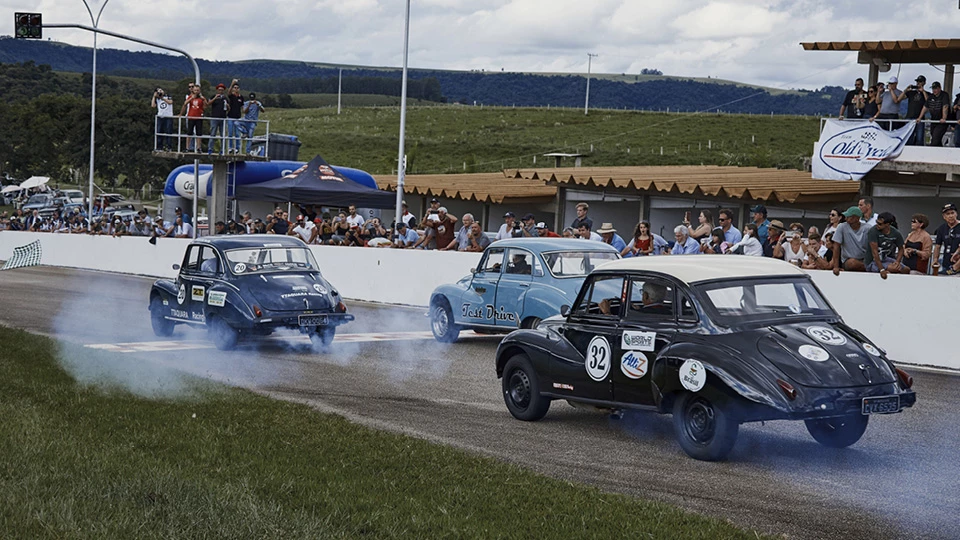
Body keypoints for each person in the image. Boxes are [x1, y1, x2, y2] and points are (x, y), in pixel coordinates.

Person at [866, 212, 905, 279]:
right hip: (873, 261)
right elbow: (875, 252)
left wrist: (897, 262)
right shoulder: (873, 231)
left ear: (887, 224)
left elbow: (901, 248)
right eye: (876, 222)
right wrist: (882, 269)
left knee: (906, 269)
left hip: (886, 259)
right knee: (893, 269)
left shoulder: (895, 233)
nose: (877, 225)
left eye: (880, 224)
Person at [831, 206, 868, 275]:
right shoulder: (841, 227)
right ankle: (869, 267)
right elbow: (836, 246)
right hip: (848, 260)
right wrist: (836, 266)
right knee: (852, 263)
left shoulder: (867, 228)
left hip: (864, 259)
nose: (846, 218)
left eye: (849, 216)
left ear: (856, 218)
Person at [917, 81, 950, 147]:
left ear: (940, 88)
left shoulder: (944, 95)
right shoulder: (930, 97)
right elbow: (925, 107)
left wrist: (944, 118)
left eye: (936, 88)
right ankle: (940, 153)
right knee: (936, 138)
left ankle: (932, 152)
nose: (934, 90)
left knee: (935, 139)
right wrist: (919, 117)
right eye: (933, 88)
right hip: (934, 120)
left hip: (941, 122)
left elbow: (945, 106)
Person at [932, 203, 960, 275]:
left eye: (952, 213)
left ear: (956, 214)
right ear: (944, 216)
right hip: (946, 264)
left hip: (957, 264)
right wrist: (935, 259)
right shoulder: (941, 229)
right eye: (948, 214)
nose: (951, 216)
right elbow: (938, 246)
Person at [903, 76, 929, 146]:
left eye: (920, 82)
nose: (918, 83)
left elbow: (928, 102)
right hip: (909, 117)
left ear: (924, 83)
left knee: (919, 137)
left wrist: (923, 91)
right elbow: (899, 99)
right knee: (908, 137)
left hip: (919, 118)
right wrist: (906, 90)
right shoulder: (911, 93)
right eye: (917, 81)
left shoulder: (927, 93)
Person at [180, 83, 206, 152]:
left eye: (197, 90)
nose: (196, 91)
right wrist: (192, 98)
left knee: (199, 133)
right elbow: (185, 103)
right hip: (191, 117)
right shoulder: (190, 97)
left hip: (199, 117)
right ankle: (187, 148)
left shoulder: (201, 98)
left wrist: (204, 100)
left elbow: (205, 106)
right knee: (189, 133)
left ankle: (198, 147)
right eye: (195, 90)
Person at [207, 83, 229, 154]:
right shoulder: (213, 96)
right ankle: (210, 149)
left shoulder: (225, 98)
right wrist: (215, 98)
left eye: (222, 90)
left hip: (223, 118)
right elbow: (208, 103)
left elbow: (229, 108)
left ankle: (222, 150)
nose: (220, 91)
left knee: (223, 135)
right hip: (214, 117)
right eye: (219, 90)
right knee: (213, 133)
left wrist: (227, 105)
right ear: (217, 90)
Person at [226, 80, 245, 154]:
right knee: (230, 133)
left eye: (237, 88)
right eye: (235, 87)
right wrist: (232, 83)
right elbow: (228, 92)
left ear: (239, 89)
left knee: (237, 134)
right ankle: (230, 147)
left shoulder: (241, 98)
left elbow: (243, 108)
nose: (236, 89)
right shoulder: (231, 96)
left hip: (238, 117)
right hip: (230, 116)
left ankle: (237, 148)